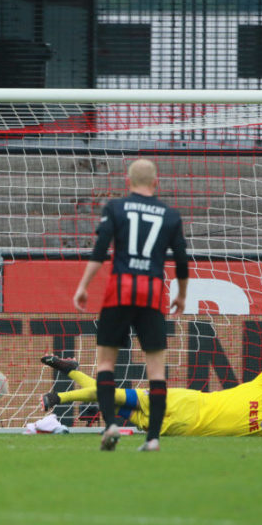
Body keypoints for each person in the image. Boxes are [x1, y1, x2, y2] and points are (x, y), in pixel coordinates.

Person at [73, 158, 189, 452]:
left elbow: (100, 251)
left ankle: (111, 423)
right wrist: (181, 294)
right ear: (156, 183)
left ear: (127, 182)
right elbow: (182, 260)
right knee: (156, 371)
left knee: (106, 363)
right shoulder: (171, 215)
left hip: (119, 292)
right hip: (151, 295)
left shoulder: (115, 207)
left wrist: (83, 286)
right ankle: (152, 439)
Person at [40, 346, 262, 439]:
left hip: (172, 429)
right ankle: (60, 399)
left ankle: (70, 369)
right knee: (111, 393)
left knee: (106, 401)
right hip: (182, 401)